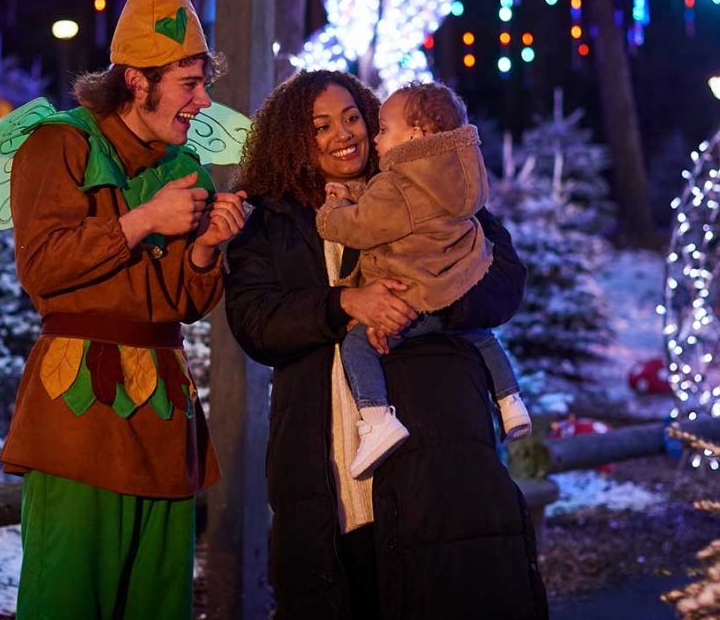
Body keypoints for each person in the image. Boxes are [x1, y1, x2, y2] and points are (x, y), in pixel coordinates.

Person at [225, 69, 548, 619]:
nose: (343, 134)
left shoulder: (424, 181)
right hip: (323, 455)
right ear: (292, 139)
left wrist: (426, 299)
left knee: (445, 587)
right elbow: (254, 321)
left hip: (436, 438)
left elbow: (504, 279)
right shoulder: (270, 220)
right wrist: (345, 304)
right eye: (320, 126)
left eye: (352, 117)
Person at [0, 0, 247, 619]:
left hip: (163, 416)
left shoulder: (185, 163)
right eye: (190, 84)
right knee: (67, 597)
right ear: (138, 80)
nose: (203, 101)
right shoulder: (58, 144)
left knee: (158, 601)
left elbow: (186, 303)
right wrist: (144, 219)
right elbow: (43, 267)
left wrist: (203, 250)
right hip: (79, 408)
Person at [316, 81, 531, 479]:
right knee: (482, 336)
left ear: (415, 136)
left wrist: (332, 212)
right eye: (322, 126)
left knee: (357, 345)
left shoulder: (396, 184)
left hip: (415, 313)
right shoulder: (459, 180)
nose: (374, 137)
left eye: (379, 128)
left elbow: (364, 225)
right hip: (455, 300)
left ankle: (377, 419)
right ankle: (510, 399)